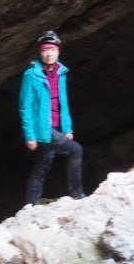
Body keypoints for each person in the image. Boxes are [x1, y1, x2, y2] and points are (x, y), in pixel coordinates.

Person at [18, 30, 85, 205]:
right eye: (45, 50)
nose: (49, 53)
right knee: (76, 150)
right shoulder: (31, 75)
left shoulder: (61, 72)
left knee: (41, 168)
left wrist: (68, 128)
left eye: (52, 50)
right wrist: (30, 135)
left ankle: (30, 205)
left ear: (58, 51)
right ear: (40, 53)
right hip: (43, 128)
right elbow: (25, 107)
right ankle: (77, 195)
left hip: (55, 127)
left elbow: (63, 102)